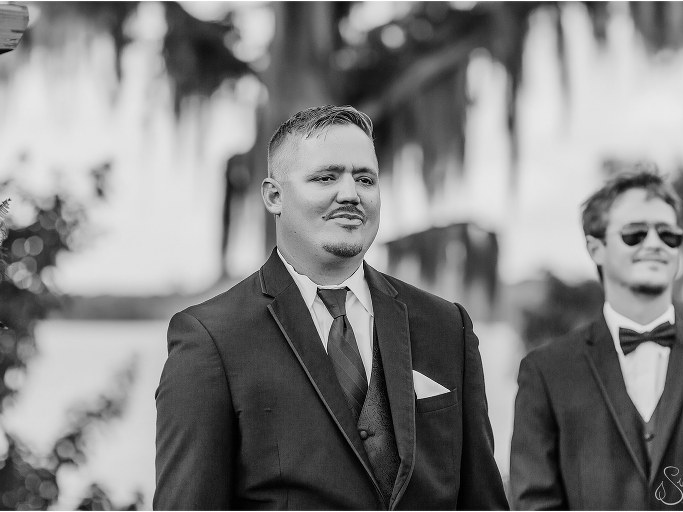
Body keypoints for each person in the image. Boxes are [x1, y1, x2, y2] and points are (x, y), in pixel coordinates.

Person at [154, 105, 509, 510]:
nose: (350, 194)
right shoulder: (210, 338)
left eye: (365, 179)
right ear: (274, 196)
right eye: (325, 177)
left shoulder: (447, 326)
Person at [509, 171, 683, 510]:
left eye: (668, 234)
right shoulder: (546, 372)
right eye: (635, 233)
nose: (654, 244)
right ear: (596, 248)